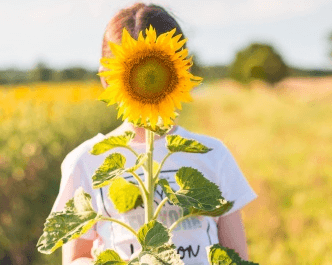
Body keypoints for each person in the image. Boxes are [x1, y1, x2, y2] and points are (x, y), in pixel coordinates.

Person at [52, 3, 258, 265]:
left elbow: (235, 257)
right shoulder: (86, 161)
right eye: (134, 71)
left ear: (182, 70)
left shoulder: (214, 156)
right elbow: (76, 257)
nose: (148, 78)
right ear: (107, 78)